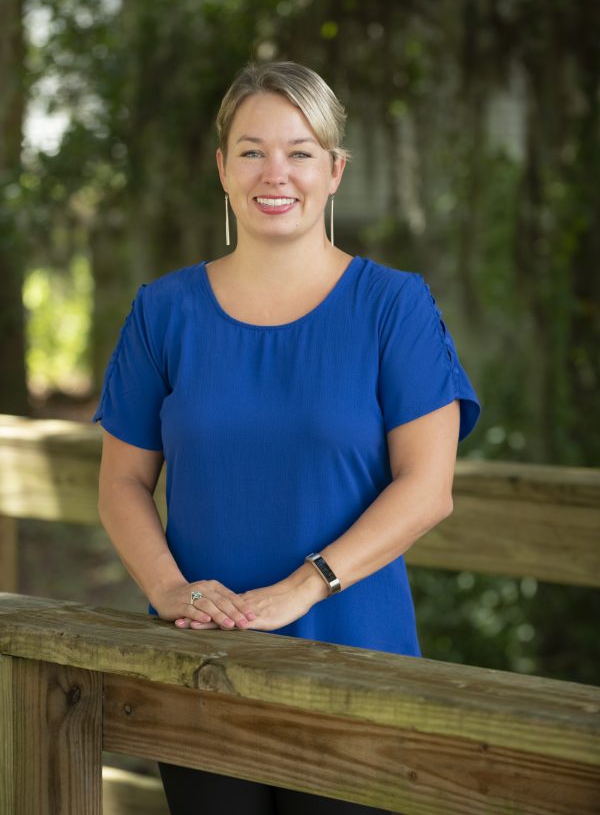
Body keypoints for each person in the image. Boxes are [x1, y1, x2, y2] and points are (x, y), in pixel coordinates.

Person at [94, 61, 480, 815]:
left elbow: (427, 490)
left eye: (300, 151)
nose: (277, 173)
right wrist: (170, 591)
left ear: (334, 171)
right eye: (251, 150)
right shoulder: (163, 311)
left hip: (355, 669)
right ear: (222, 169)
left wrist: (295, 593)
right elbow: (121, 482)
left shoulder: (393, 307)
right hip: (201, 663)